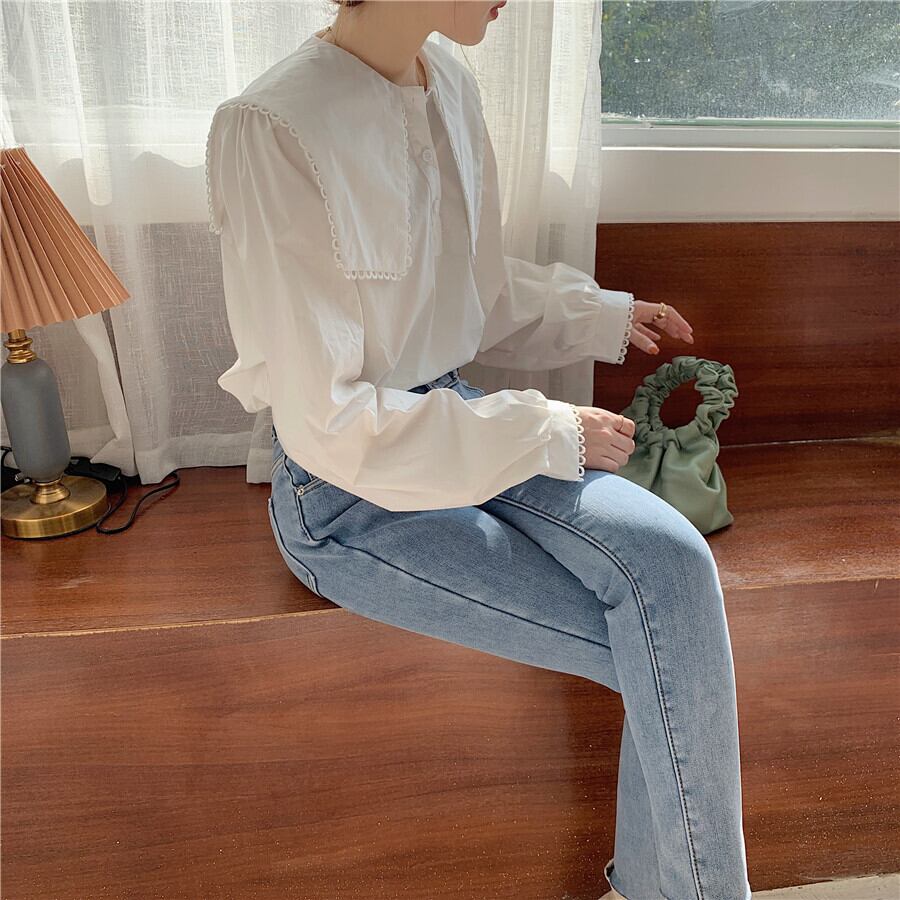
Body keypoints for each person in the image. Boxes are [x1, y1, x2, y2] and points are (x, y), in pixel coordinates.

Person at [206, 2, 752, 898]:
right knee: (665, 653)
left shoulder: (450, 86)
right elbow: (328, 422)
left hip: (459, 418)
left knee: (676, 564)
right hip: (345, 495)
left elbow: (479, 295)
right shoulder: (271, 127)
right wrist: (546, 430)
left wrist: (603, 315)